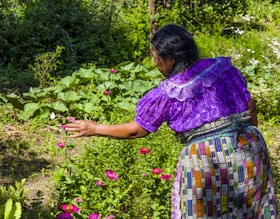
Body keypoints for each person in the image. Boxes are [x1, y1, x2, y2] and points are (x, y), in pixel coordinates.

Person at [65, 24, 278, 218]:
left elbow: (136, 130)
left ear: (171, 59)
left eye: (155, 56)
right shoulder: (222, 69)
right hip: (248, 146)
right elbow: (249, 104)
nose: (154, 61)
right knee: (248, 208)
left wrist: (94, 128)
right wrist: (245, 141)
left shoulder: (170, 92)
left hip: (204, 161)